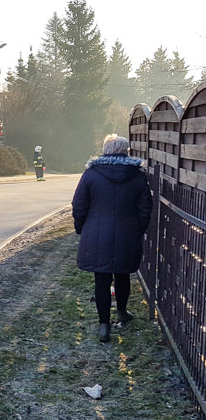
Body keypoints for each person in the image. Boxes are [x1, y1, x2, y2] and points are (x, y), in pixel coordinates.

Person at [72, 134, 152, 342]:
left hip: (97, 234)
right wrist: (138, 229)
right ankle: (122, 312)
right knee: (123, 274)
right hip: (128, 232)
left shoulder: (91, 174)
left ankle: (104, 325)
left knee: (102, 279)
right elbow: (145, 208)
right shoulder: (138, 176)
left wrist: (82, 228)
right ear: (126, 151)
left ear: (105, 150)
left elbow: (79, 204)